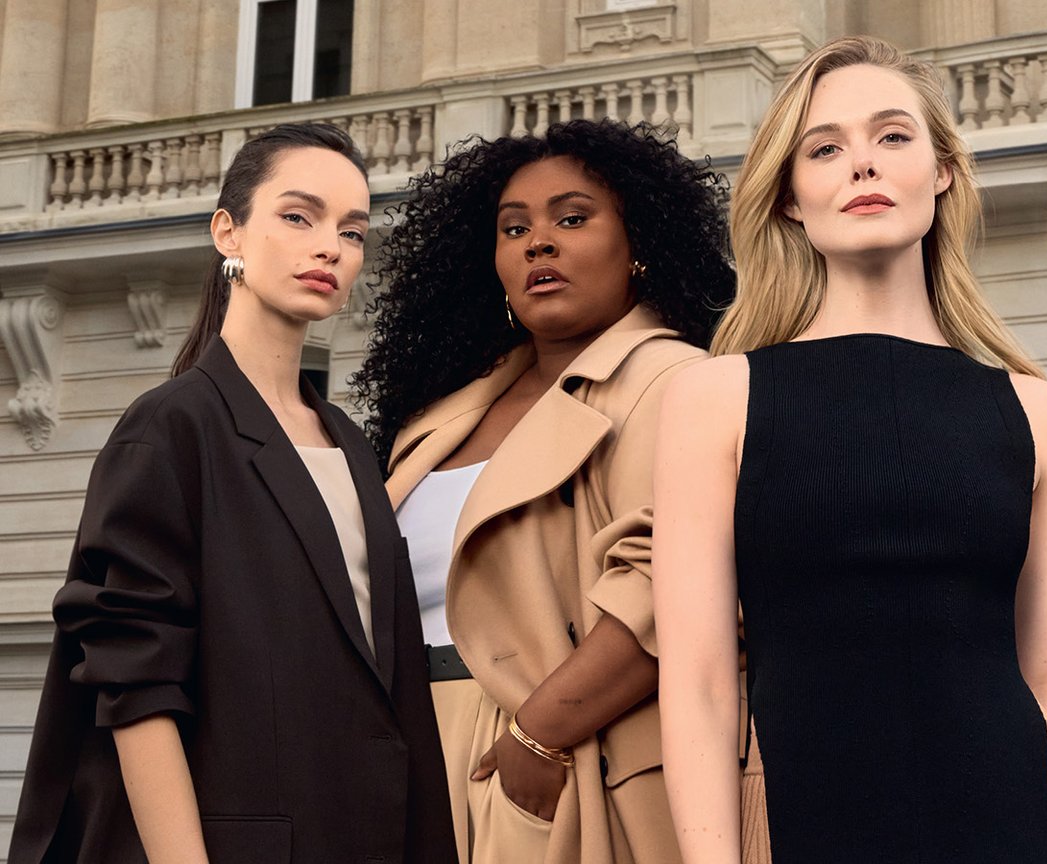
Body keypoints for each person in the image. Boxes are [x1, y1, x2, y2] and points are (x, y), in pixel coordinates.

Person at [652, 35, 1047, 864]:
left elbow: (1041, 682)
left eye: (892, 136)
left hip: (1010, 819)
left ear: (943, 170)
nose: (863, 166)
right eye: (825, 148)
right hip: (809, 822)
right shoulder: (714, 398)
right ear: (787, 197)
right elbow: (700, 686)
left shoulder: (1040, 416)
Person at [9, 123, 456, 864]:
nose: (329, 248)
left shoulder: (350, 443)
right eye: (297, 216)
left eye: (352, 231)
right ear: (229, 232)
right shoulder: (172, 428)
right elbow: (135, 685)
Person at [351, 118, 735, 864]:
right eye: (513, 228)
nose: (538, 243)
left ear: (640, 247)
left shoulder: (676, 383)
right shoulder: (437, 418)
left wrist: (539, 735)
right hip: (410, 761)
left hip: (563, 762)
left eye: (572, 217)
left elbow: (673, 583)